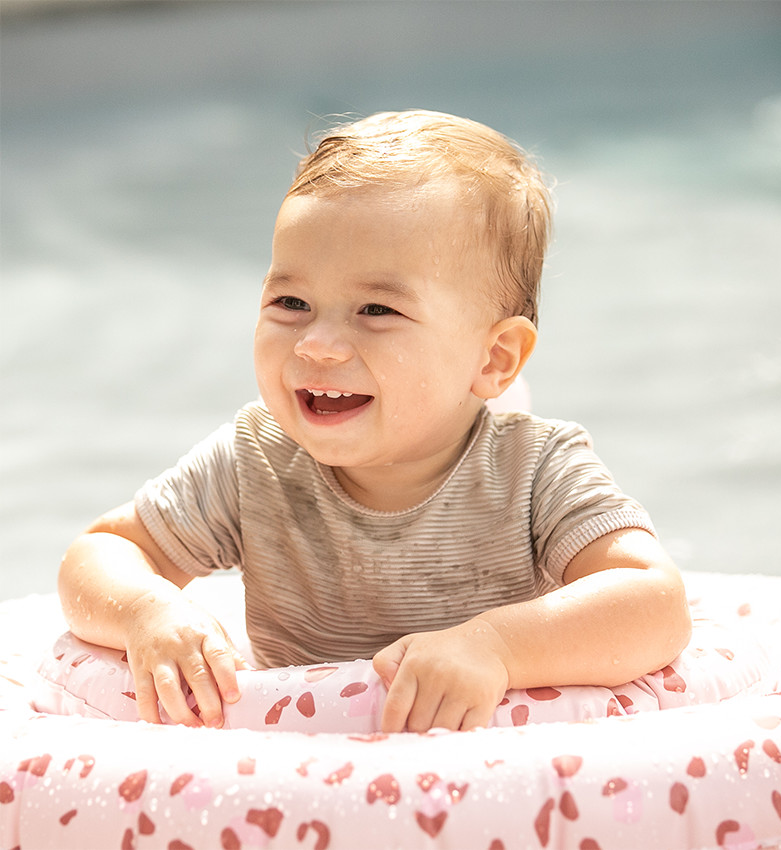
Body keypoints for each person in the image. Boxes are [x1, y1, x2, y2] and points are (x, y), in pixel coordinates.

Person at [58, 110, 692, 735]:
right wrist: (147, 608)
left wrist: (496, 647)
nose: (318, 345)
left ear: (493, 358)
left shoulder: (534, 470)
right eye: (291, 302)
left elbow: (653, 601)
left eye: (377, 309)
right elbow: (104, 550)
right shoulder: (256, 461)